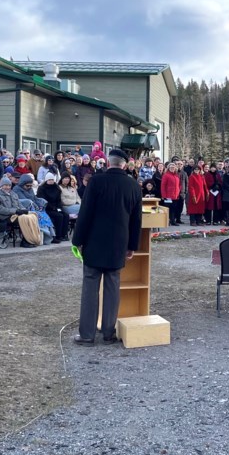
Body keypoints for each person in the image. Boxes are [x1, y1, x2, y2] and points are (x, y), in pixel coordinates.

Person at [71, 148, 142, 346]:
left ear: (108, 162)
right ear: (125, 164)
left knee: (90, 287)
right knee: (112, 287)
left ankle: (87, 335)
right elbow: (136, 220)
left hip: (94, 241)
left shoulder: (96, 181)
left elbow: (85, 212)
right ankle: (108, 333)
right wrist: (132, 245)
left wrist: (78, 240)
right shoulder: (133, 186)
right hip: (118, 243)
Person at [37, 173, 69, 243]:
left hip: (56, 207)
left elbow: (58, 199)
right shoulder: (42, 188)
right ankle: (58, 235)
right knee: (59, 216)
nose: (51, 181)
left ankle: (64, 234)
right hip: (47, 208)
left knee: (66, 215)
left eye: (52, 180)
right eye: (49, 180)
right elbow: (43, 201)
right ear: (46, 180)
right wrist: (53, 208)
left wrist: (59, 208)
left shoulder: (56, 187)